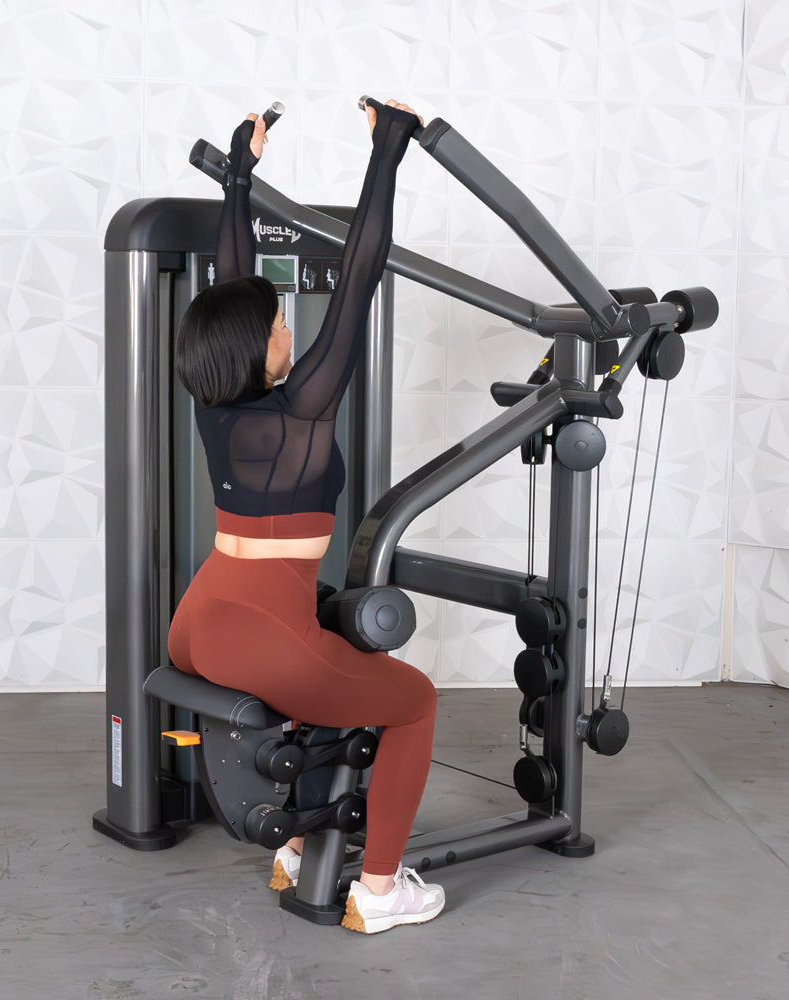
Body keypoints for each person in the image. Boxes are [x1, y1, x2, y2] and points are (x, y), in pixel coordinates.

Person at [167, 99, 443, 934]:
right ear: (261, 345)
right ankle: (381, 891)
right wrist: (388, 150)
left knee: (322, 678)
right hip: (261, 634)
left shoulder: (216, 401)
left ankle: (294, 849)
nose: (290, 327)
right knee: (414, 700)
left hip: (199, 619)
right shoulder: (304, 413)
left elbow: (232, 285)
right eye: (282, 322)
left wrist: (240, 177)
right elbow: (360, 276)